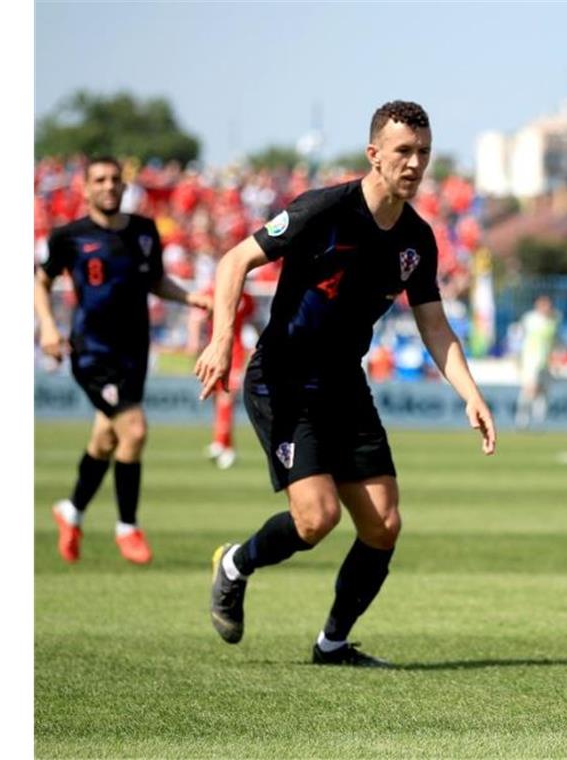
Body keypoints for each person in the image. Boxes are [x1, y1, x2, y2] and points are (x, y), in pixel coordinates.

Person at [195, 101, 496, 665]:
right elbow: (234, 261)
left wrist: (471, 394)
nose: (414, 163)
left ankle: (332, 643)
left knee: (383, 524)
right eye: (403, 151)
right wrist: (218, 342)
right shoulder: (323, 209)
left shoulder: (417, 240)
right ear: (374, 154)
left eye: (423, 153)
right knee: (317, 518)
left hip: (344, 384)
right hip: (282, 377)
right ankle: (235, 564)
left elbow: (434, 325)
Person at [35, 155, 212, 564]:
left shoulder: (144, 231)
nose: (110, 185)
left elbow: (155, 281)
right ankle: (127, 527)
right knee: (133, 430)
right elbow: (40, 281)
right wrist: (47, 327)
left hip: (134, 350)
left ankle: (72, 510)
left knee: (106, 437)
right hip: (92, 353)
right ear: (85, 187)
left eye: (115, 179)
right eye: (100, 179)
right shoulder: (69, 237)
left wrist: (189, 298)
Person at [194, 284, 256, 469]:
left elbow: (250, 323)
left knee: (226, 400)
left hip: (234, 353)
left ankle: (224, 446)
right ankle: (222, 443)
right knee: (218, 401)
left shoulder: (243, 296)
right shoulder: (216, 292)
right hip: (215, 351)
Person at [514, 294, 558, 429]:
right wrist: (518, 357)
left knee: (543, 391)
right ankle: (522, 420)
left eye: (548, 304)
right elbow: (518, 339)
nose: (546, 307)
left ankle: (539, 421)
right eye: (543, 304)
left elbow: (553, 342)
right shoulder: (529, 319)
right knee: (529, 389)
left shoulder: (553, 321)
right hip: (530, 361)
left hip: (545, 362)